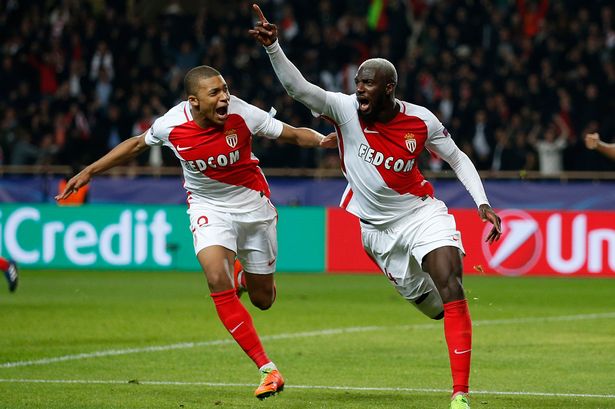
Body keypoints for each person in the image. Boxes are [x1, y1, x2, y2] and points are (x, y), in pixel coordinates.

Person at [250, 5, 502, 409]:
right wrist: (274, 47)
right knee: (435, 309)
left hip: (421, 214)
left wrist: (483, 202)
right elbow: (300, 89)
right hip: (377, 234)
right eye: (357, 82)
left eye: (368, 83)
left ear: (389, 88)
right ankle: (431, 304)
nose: (359, 89)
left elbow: (456, 157)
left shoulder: (421, 122)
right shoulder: (344, 109)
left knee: (452, 284)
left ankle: (460, 396)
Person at [56, 65, 332, 400]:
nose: (224, 97)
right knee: (217, 277)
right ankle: (268, 369)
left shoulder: (242, 113)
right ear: (194, 101)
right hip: (208, 208)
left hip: (254, 207)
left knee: (263, 299)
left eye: (225, 89)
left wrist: (322, 140)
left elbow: (289, 133)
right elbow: (135, 145)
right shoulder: (172, 124)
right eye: (215, 92)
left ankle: (244, 280)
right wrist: (89, 171)